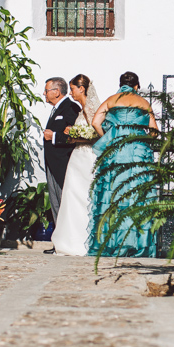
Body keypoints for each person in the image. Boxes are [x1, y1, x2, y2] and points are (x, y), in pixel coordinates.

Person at [88, 71, 159, 257]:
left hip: (116, 153)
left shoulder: (111, 100)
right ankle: (137, 245)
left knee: (114, 194)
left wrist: (110, 137)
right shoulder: (143, 103)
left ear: (120, 85)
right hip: (137, 153)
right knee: (137, 194)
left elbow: (96, 122)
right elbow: (154, 131)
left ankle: (111, 243)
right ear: (137, 86)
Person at [50, 74, 101, 256]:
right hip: (77, 157)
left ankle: (81, 241)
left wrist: (73, 135)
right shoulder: (81, 109)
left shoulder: (90, 109)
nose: (70, 93)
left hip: (86, 157)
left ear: (82, 88)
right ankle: (70, 239)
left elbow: (97, 134)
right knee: (72, 197)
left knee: (82, 197)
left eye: (72, 89)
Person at [42, 76, 81, 254]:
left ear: (56, 92)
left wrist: (54, 137)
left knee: (64, 204)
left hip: (63, 164)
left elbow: (77, 135)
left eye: (47, 90)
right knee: (55, 204)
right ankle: (60, 243)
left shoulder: (71, 108)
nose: (44, 94)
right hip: (52, 163)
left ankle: (68, 242)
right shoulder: (56, 109)